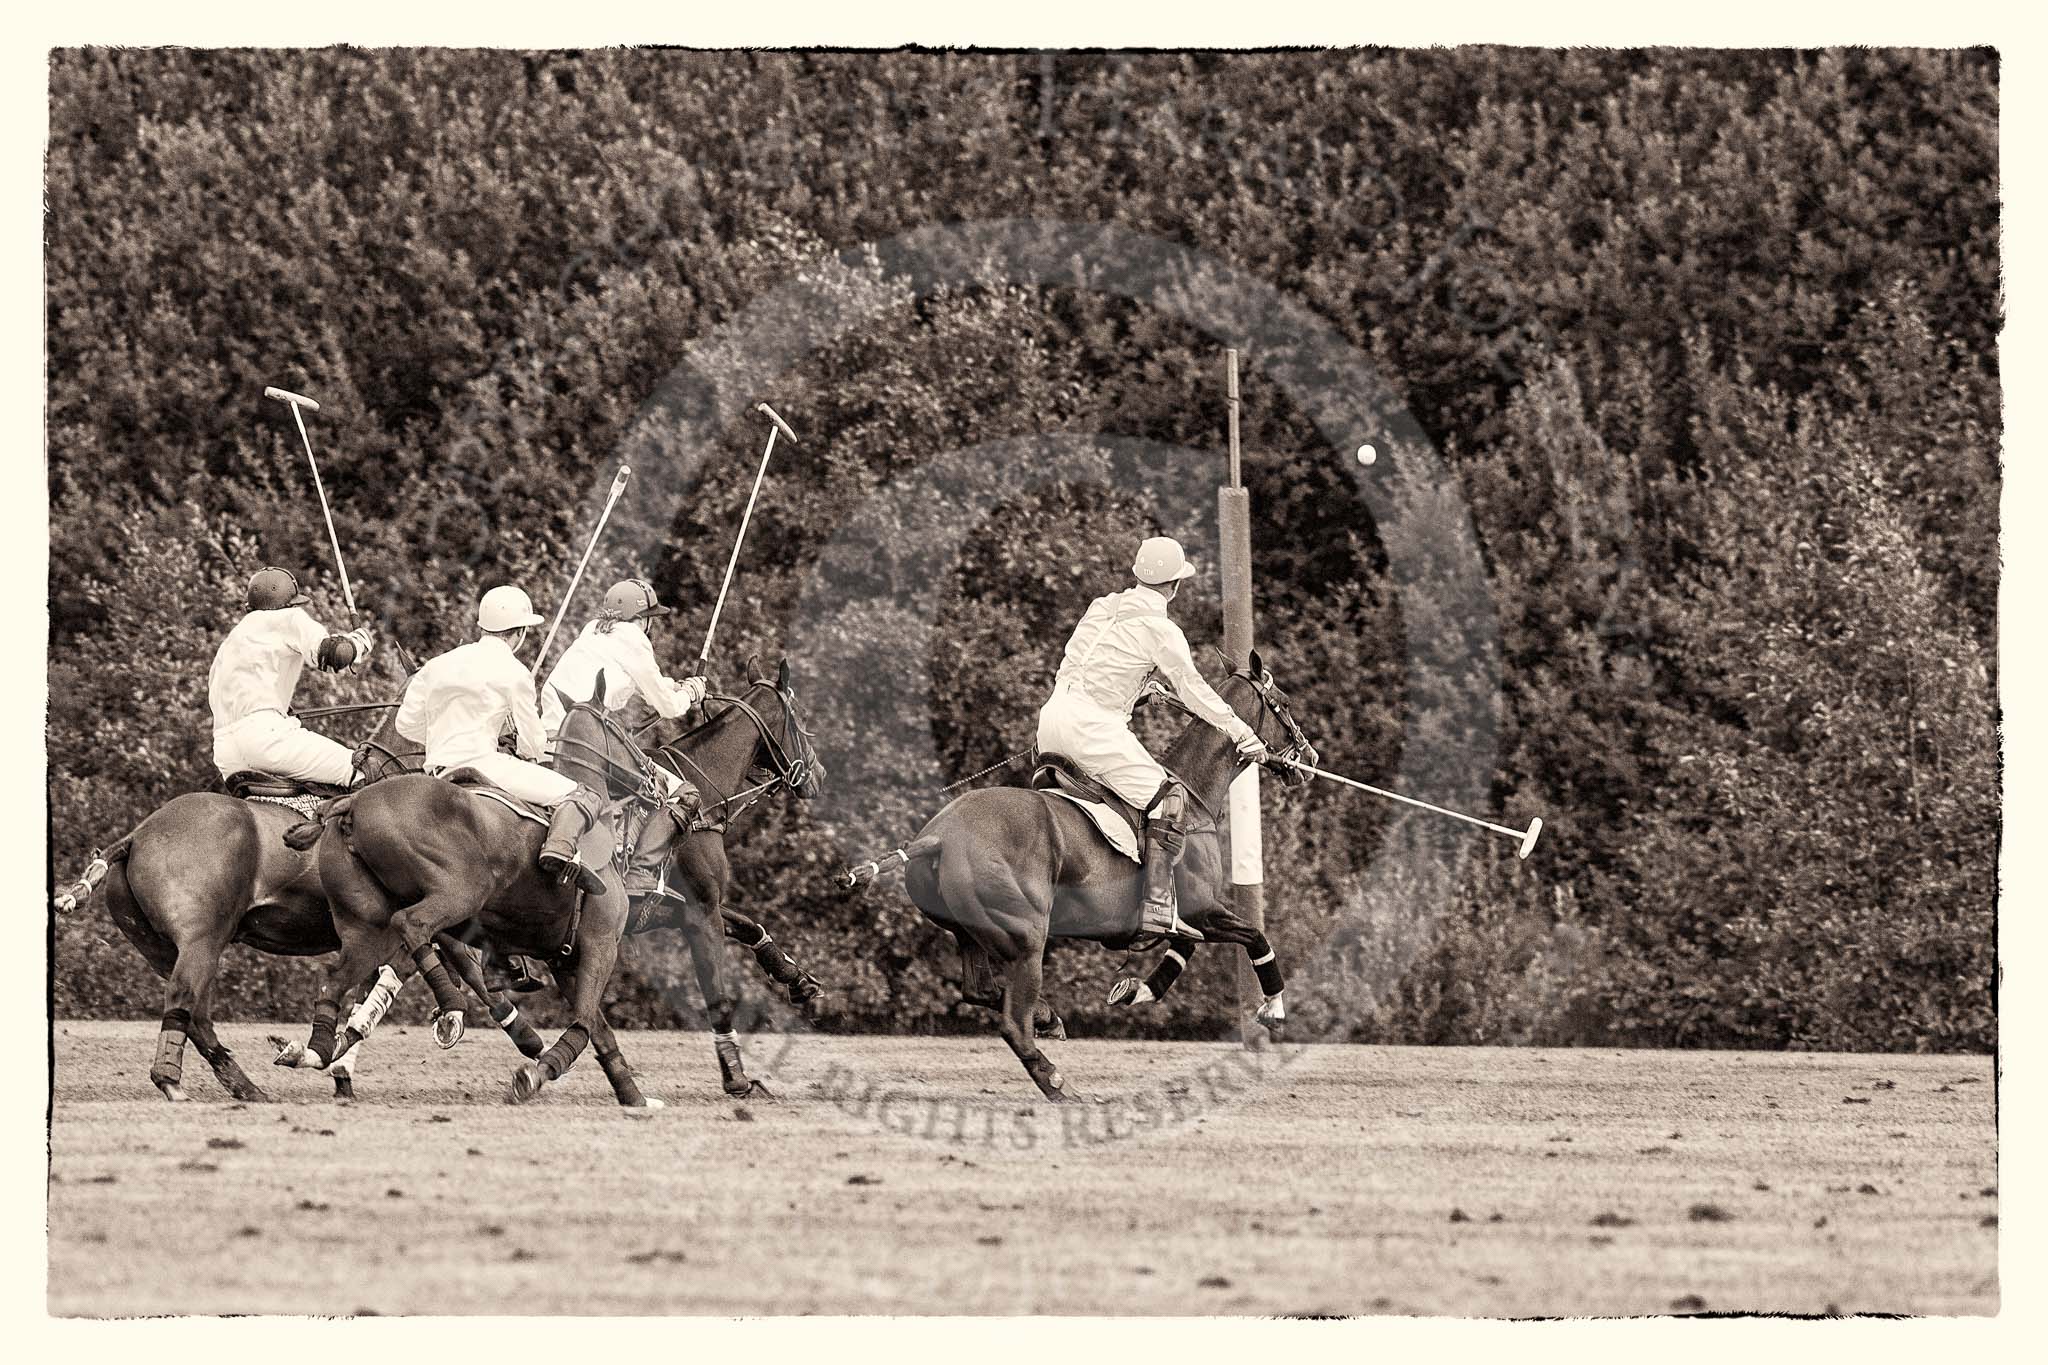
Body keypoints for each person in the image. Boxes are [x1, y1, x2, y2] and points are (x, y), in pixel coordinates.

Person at [1035, 536, 1267, 938]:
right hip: (1092, 730)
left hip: (1051, 721)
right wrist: (1241, 732)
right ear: (1174, 585)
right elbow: (1193, 690)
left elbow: (1090, 670)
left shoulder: (1101, 606)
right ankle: (1158, 906)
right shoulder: (1163, 630)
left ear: (1138, 574)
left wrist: (1141, 689)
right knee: (1169, 799)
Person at [394, 584, 609, 896]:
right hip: (485, 766)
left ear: (482, 626)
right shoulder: (515, 672)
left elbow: (406, 725)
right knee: (582, 795)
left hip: (437, 772)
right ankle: (559, 851)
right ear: (519, 632)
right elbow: (533, 744)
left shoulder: (436, 664)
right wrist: (521, 744)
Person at [538, 577, 707, 905]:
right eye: (650, 618)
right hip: (588, 741)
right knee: (683, 794)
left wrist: (671, 684)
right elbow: (668, 708)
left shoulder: (593, 630)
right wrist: (691, 692)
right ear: (641, 618)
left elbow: (640, 680)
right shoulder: (636, 640)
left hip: (550, 738)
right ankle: (639, 873)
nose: (650, 625)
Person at [208, 567, 374, 786]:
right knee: (364, 772)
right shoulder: (289, 617)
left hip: (226, 752)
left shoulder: (231, 641)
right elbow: (333, 654)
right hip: (265, 738)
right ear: (290, 603)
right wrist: (358, 642)